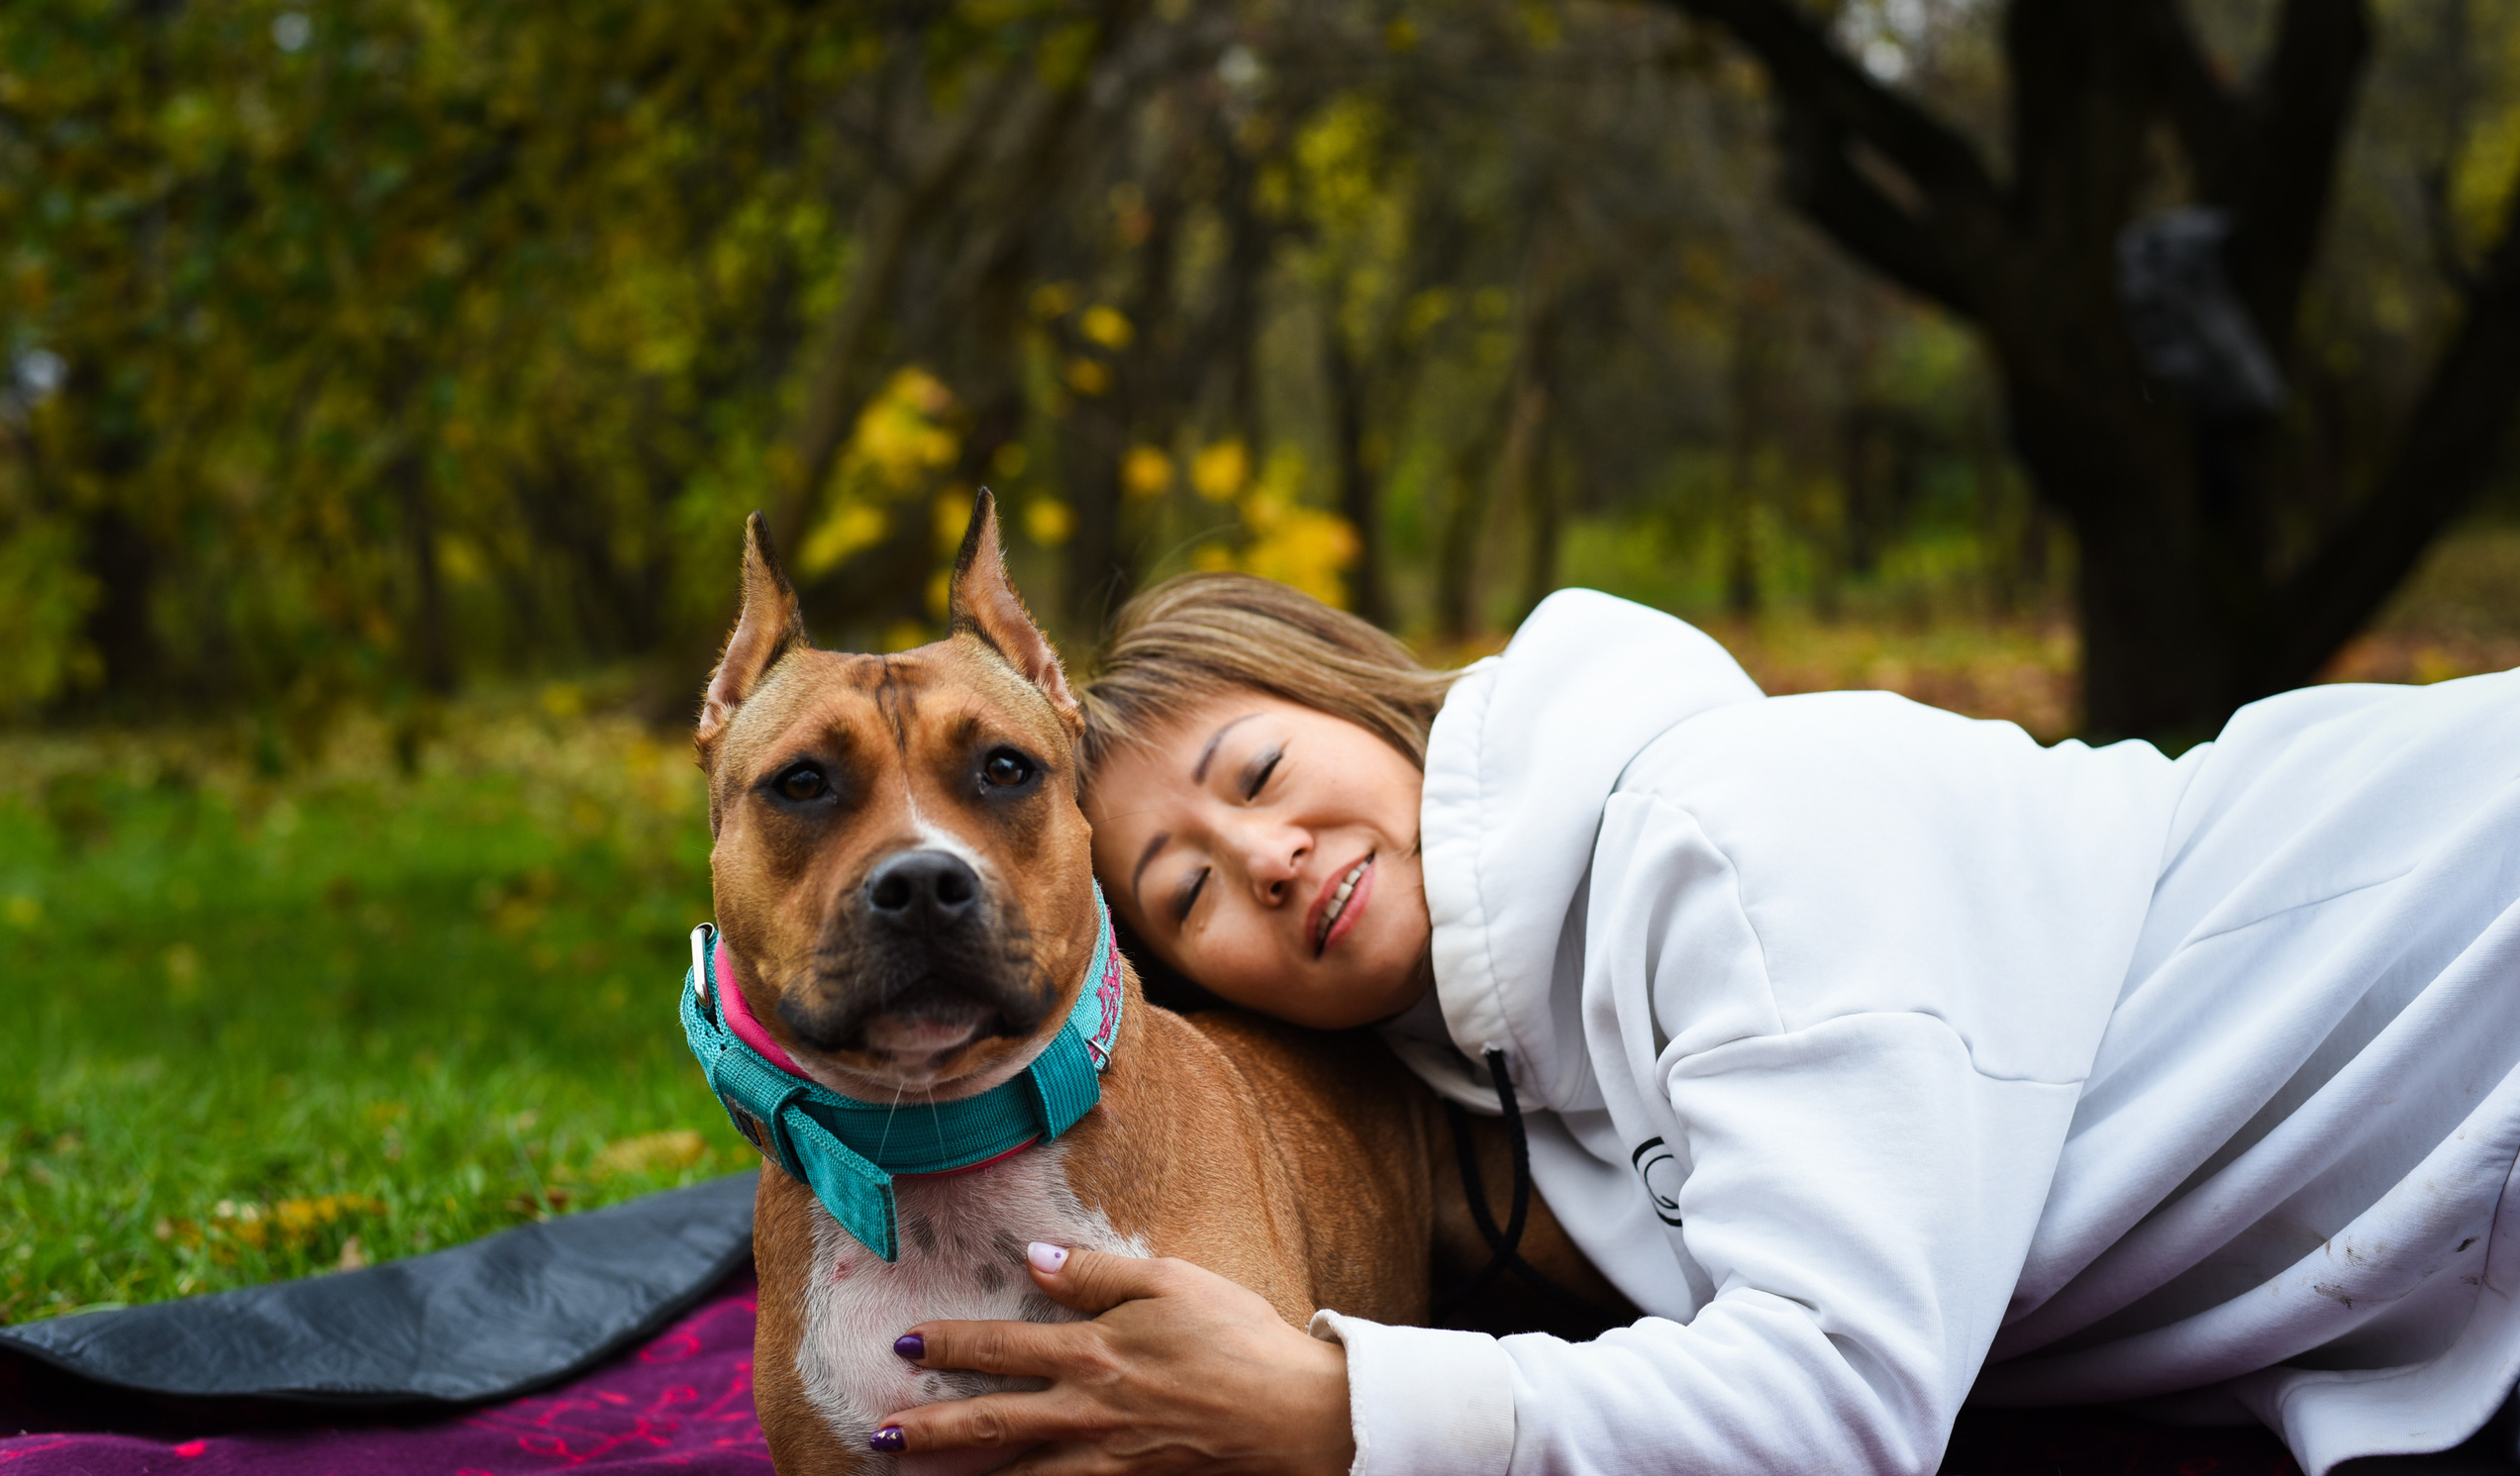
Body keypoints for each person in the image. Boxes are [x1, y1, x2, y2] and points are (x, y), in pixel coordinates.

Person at [872, 577, 2520, 1476]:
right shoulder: (1505, 1067)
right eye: (1188, 893)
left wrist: (1333, 1406)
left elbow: (1848, 1401)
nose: (1267, 853)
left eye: (1258, 772)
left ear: (1367, 702)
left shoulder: (1721, 833)